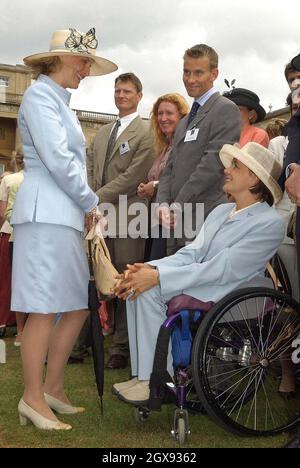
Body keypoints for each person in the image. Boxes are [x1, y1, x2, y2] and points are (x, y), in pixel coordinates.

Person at [112, 142, 285, 405]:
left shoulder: (269, 223)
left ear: (253, 178)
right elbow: (192, 252)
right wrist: (151, 268)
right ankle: (144, 376)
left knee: (149, 291)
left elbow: (223, 268)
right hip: (204, 282)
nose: (227, 170)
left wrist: (159, 278)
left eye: (235, 166)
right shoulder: (221, 211)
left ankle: (157, 381)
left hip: (230, 291)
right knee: (139, 285)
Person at [10, 28, 117, 430]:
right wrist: (91, 202)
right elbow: (58, 159)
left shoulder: (57, 101)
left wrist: (85, 206)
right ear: (58, 60)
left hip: (63, 215)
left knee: (74, 306)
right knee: (43, 307)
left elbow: (67, 162)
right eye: (83, 61)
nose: (87, 69)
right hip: (46, 214)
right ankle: (33, 399)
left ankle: (52, 387)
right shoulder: (40, 96)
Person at [87, 73, 154, 370]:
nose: (121, 95)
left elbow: (134, 175)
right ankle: (98, 336)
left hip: (130, 215)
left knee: (126, 280)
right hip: (100, 215)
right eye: (117, 90)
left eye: (127, 90)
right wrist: (91, 200)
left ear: (139, 95)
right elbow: (91, 169)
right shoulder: (102, 133)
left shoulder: (147, 131)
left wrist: (96, 197)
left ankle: (121, 347)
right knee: (98, 275)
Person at [155, 44, 241, 255]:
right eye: (186, 72)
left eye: (198, 73)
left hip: (204, 217)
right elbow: (170, 167)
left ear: (214, 73)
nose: (190, 79)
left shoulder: (225, 109)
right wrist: (162, 204)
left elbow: (211, 166)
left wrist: (177, 204)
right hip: (176, 221)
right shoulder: (184, 121)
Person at [137, 93, 189, 261]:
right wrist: (145, 187)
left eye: (169, 113)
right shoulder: (164, 146)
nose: (163, 118)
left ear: (182, 117)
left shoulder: (187, 145)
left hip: (172, 221)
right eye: (160, 113)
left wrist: (156, 186)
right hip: (155, 219)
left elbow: (184, 178)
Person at [0, 148, 26, 346]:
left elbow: (3, 212)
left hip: (12, 235)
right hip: (19, 236)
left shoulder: (10, 180)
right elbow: (6, 211)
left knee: (13, 282)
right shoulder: (17, 181)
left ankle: (19, 329)